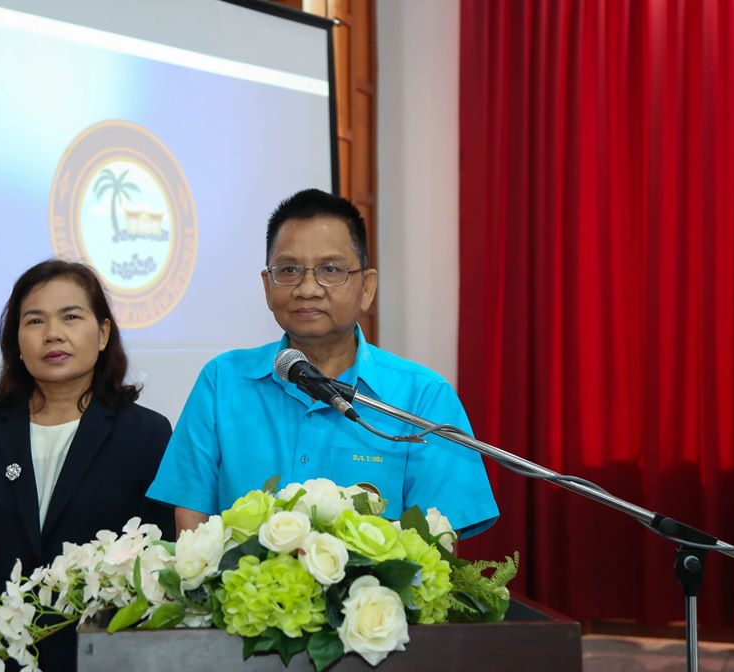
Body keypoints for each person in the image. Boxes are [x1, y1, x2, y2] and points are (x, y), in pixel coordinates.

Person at [147, 189, 498, 539]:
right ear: (267, 285)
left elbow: (438, 544)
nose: (307, 288)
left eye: (330, 269)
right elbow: (191, 525)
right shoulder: (222, 381)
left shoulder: (423, 398)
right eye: (288, 270)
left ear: (367, 287)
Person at [0, 260, 173, 672]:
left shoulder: (147, 435)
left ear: (102, 333)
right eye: (34, 321)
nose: (53, 334)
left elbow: (158, 571)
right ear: (16, 342)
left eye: (70, 317)